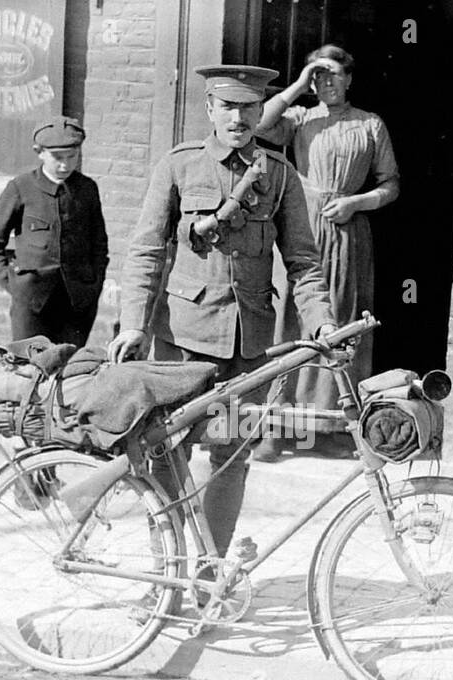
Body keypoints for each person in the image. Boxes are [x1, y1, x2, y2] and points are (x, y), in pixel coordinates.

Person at [110, 64, 335, 557]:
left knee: (232, 457)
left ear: (261, 112)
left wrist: (322, 320)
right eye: (228, 107)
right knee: (167, 455)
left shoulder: (280, 176)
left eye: (249, 108)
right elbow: (146, 249)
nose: (238, 118)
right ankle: (167, 569)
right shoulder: (180, 165)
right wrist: (133, 324)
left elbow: (303, 262)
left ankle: (212, 571)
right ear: (210, 109)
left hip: (247, 345)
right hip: (182, 340)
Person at [253, 45, 400, 460]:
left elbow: (391, 184)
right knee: (291, 320)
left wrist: (357, 202)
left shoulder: (370, 125)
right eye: (319, 76)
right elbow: (260, 124)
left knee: (340, 320)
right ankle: (276, 426)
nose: (327, 83)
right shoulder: (298, 119)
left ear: (350, 78)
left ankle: (335, 427)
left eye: (334, 74)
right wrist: (298, 84)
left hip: (346, 229)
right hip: (300, 222)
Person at [0, 116, 109, 345]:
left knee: (69, 369)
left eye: (72, 157)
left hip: (77, 303)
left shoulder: (87, 189)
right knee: (30, 369)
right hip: (31, 304)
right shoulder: (21, 188)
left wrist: (93, 286)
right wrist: (14, 284)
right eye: (57, 158)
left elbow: (99, 245)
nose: (65, 165)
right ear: (39, 152)